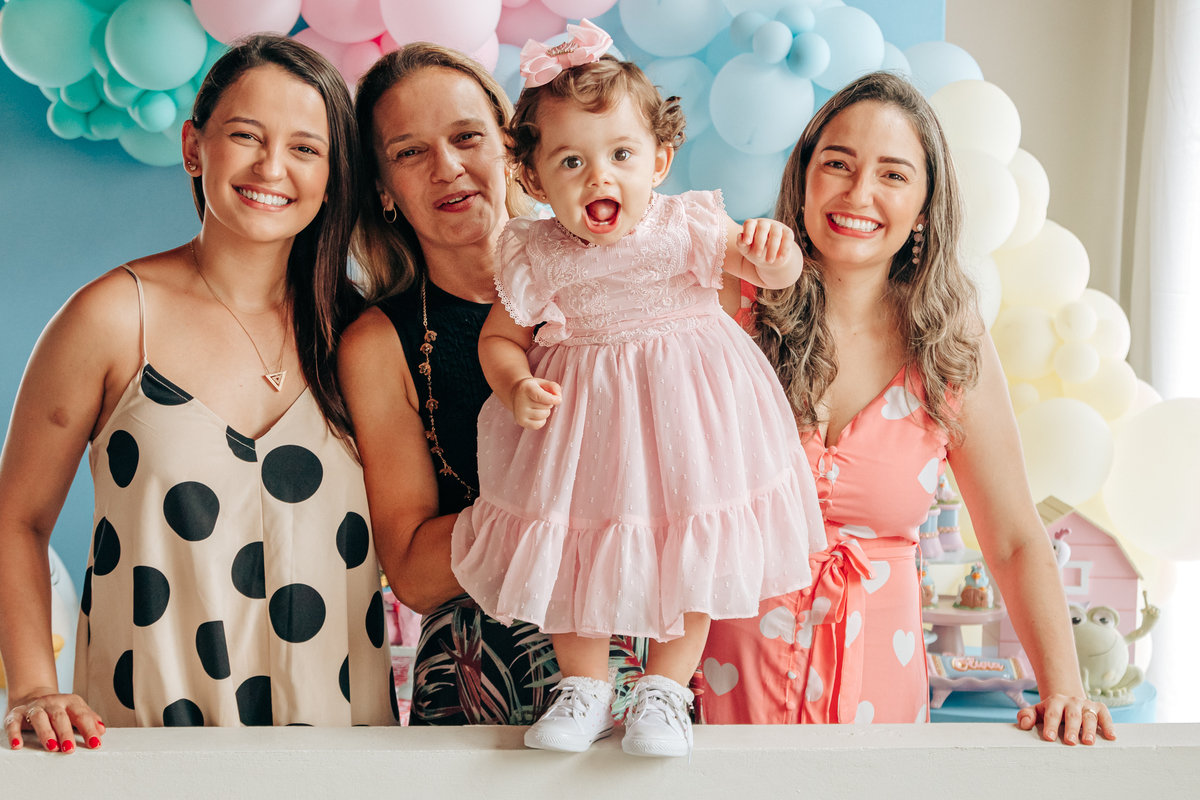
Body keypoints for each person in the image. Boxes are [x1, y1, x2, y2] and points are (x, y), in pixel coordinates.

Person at [0, 35, 396, 748]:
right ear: (194, 147)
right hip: (146, 746)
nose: (271, 168)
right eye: (246, 136)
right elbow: (15, 519)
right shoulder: (113, 316)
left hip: (342, 753)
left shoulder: (366, 339)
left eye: (306, 148)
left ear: (336, 174)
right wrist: (32, 687)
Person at [699, 71, 1117, 746]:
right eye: (837, 164)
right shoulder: (732, 304)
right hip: (721, 683)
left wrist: (1065, 688)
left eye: (892, 175)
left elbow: (1011, 538)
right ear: (803, 177)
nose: (858, 194)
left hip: (879, 698)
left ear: (924, 205)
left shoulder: (950, 343)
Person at [449, 22, 824, 758]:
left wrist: (777, 259)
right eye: (571, 161)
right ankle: (583, 682)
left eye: (621, 155)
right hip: (582, 429)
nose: (600, 178)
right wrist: (515, 379)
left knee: (687, 542)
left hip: (688, 419)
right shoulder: (536, 251)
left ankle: (664, 688)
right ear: (532, 179)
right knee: (572, 540)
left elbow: (769, 275)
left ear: (659, 159)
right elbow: (499, 336)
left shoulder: (688, 225)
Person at [341, 43, 647, 728]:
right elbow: (416, 573)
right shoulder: (379, 342)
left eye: (466, 137)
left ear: (513, 149)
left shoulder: (626, 277)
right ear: (383, 188)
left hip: (637, 667)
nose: (447, 168)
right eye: (410, 152)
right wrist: (563, 502)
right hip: (478, 678)